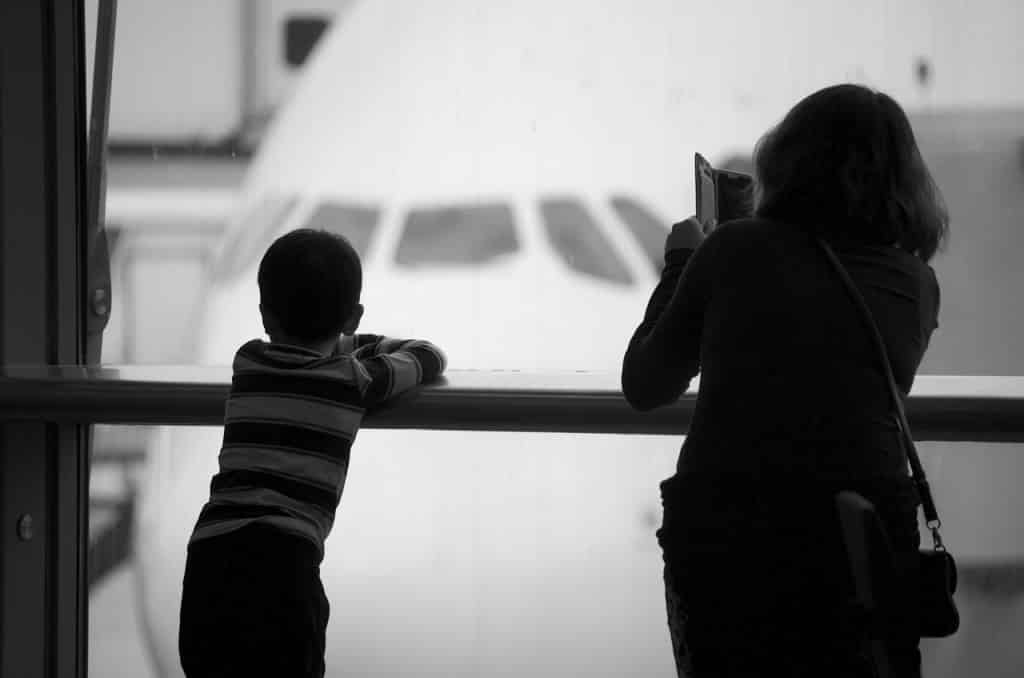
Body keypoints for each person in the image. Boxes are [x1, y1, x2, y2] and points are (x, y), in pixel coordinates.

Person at [622, 83, 948, 677]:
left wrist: (683, 262)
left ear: (788, 162)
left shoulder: (734, 249)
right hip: (866, 539)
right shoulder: (918, 285)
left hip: (734, 538)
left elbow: (647, 382)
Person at [178, 228, 447, 678]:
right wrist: (350, 338)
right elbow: (426, 356)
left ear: (265, 314)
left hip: (211, 553)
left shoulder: (248, 361)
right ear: (352, 318)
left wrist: (336, 335)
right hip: (285, 562)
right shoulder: (355, 380)